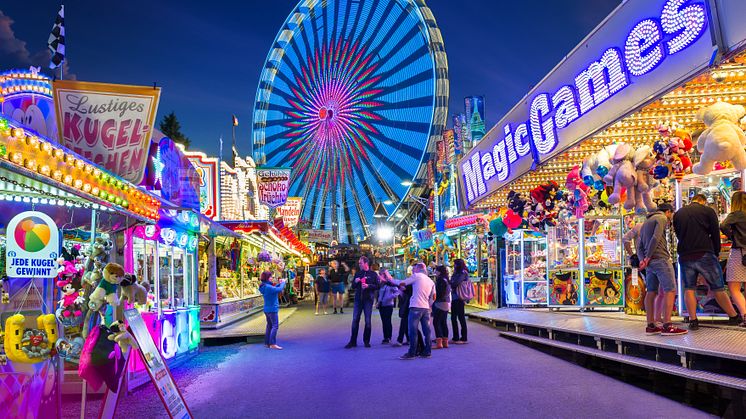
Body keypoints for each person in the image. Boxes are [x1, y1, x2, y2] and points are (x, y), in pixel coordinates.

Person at [673, 194, 741, 330]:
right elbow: (715, 234)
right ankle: (733, 316)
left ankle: (693, 320)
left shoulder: (678, 213)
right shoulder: (708, 211)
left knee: (689, 288)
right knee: (717, 287)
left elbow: (678, 234)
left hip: (685, 255)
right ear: (702, 201)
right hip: (704, 253)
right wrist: (715, 252)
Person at [638, 203, 687, 335]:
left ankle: (650, 325)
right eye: (672, 214)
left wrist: (643, 259)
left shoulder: (646, 221)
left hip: (650, 264)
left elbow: (639, 244)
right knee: (670, 290)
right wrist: (648, 257)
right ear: (668, 212)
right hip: (661, 259)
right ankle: (667, 325)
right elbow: (656, 237)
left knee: (651, 292)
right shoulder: (662, 218)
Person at [393, 263, 435, 360]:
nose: (413, 270)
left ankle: (412, 352)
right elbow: (433, 296)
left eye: (414, 268)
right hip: (426, 308)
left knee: (412, 331)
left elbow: (402, 283)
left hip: (415, 306)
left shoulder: (417, 276)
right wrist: (429, 305)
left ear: (419, 269)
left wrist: (390, 279)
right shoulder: (430, 281)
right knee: (427, 331)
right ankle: (427, 351)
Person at [720, 191, 746, 326]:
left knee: (734, 287)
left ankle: (745, 315)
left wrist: (732, 236)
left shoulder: (736, 215)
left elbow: (723, 226)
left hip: (739, 252)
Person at [345, 256, 380, 348]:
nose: (359, 264)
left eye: (361, 263)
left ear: (366, 263)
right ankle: (353, 341)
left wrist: (368, 286)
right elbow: (353, 286)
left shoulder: (373, 274)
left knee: (368, 321)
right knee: (355, 319)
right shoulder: (358, 273)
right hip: (358, 300)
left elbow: (377, 286)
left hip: (368, 300)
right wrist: (355, 282)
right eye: (359, 263)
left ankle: (366, 341)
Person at [259, 271, 286, 350]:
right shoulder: (268, 287)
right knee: (275, 326)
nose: (272, 278)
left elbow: (275, 289)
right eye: (271, 277)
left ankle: (267, 343)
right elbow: (279, 289)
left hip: (267, 309)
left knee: (269, 326)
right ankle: (272, 343)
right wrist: (283, 283)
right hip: (272, 309)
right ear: (267, 278)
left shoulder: (264, 286)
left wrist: (279, 283)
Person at [377, 269, 401, 344]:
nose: (380, 276)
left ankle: (388, 337)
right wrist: (378, 302)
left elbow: (398, 291)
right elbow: (379, 294)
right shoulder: (381, 284)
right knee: (384, 321)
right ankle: (385, 337)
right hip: (381, 305)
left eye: (381, 274)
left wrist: (390, 297)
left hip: (388, 305)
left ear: (384, 275)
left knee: (387, 321)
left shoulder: (390, 283)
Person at [449, 258, 469, 344]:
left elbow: (455, 283)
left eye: (455, 264)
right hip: (454, 296)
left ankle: (464, 338)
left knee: (460, 317)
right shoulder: (457, 273)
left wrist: (450, 282)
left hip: (459, 297)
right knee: (453, 317)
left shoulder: (462, 273)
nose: (454, 266)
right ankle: (455, 337)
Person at [432, 265, 451, 349]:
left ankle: (439, 342)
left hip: (440, 303)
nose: (435, 272)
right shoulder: (446, 279)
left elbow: (440, 292)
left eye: (436, 271)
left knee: (436, 322)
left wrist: (434, 298)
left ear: (439, 272)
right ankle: (445, 342)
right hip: (446, 303)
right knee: (443, 322)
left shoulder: (440, 280)